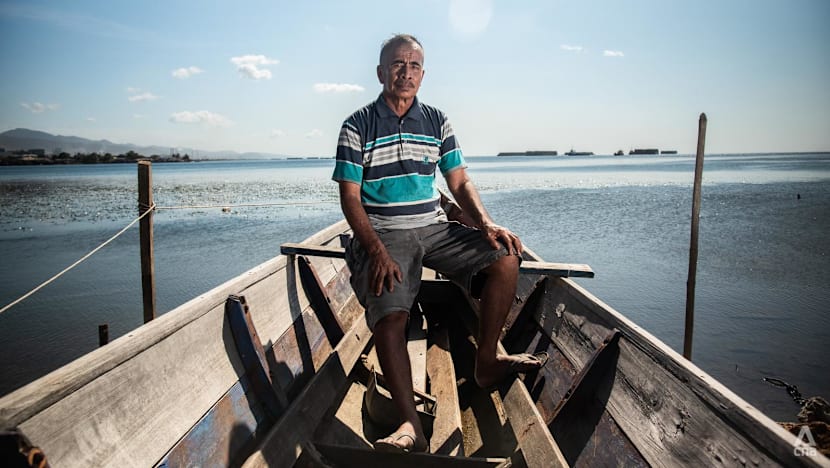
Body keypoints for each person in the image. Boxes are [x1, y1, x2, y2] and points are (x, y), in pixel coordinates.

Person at [332, 34, 546, 454]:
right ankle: (411, 425)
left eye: (414, 65)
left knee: (506, 258)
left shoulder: (436, 121)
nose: (406, 72)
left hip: (434, 227)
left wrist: (485, 222)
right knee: (391, 313)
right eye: (397, 64)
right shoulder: (357, 125)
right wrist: (375, 251)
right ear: (380, 72)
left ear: (423, 74)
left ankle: (487, 361)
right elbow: (350, 198)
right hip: (385, 234)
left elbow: (459, 180)